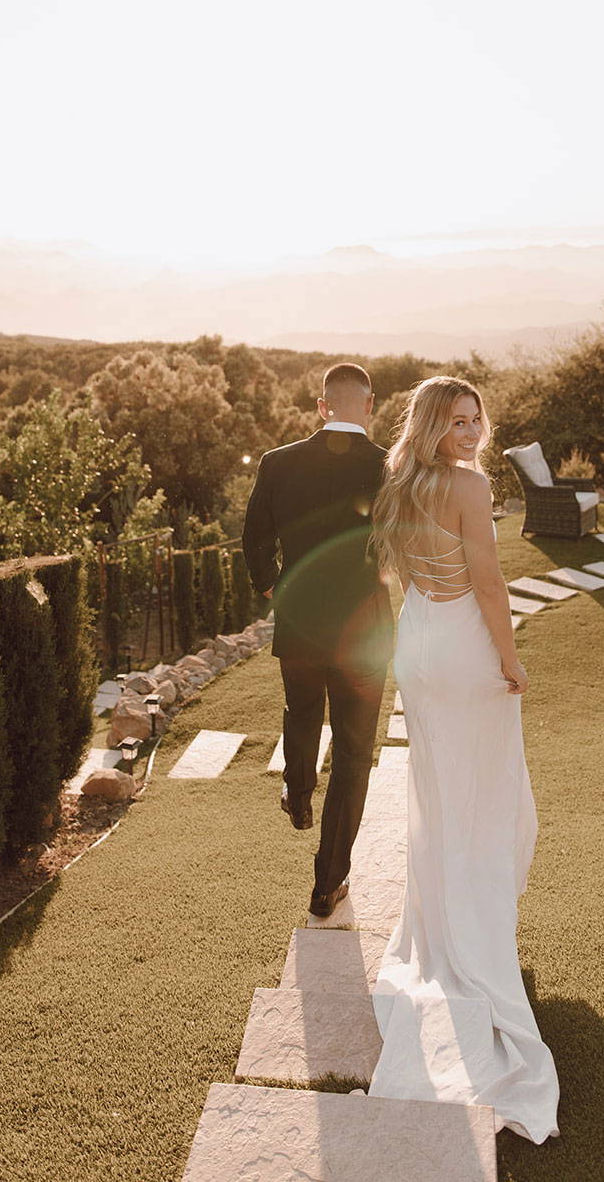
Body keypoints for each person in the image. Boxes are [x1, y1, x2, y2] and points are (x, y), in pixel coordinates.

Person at [367, 375, 560, 1144]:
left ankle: (439, 927)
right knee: (479, 795)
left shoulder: (400, 482)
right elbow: (485, 579)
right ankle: (471, 938)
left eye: (476, 419)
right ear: (431, 426)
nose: (471, 432)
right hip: (460, 648)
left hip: (417, 644)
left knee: (439, 793)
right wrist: (508, 660)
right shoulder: (469, 487)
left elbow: (405, 578)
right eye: (456, 421)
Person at [242, 362, 393, 919]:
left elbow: (254, 537)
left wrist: (271, 587)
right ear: (369, 405)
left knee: (301, 709)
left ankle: (299, 791)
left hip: (301, 620)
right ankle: (328, 883)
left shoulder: (277, 463)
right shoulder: (388, 467)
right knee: (354, 753)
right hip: (366, 630)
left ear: (321, 405)